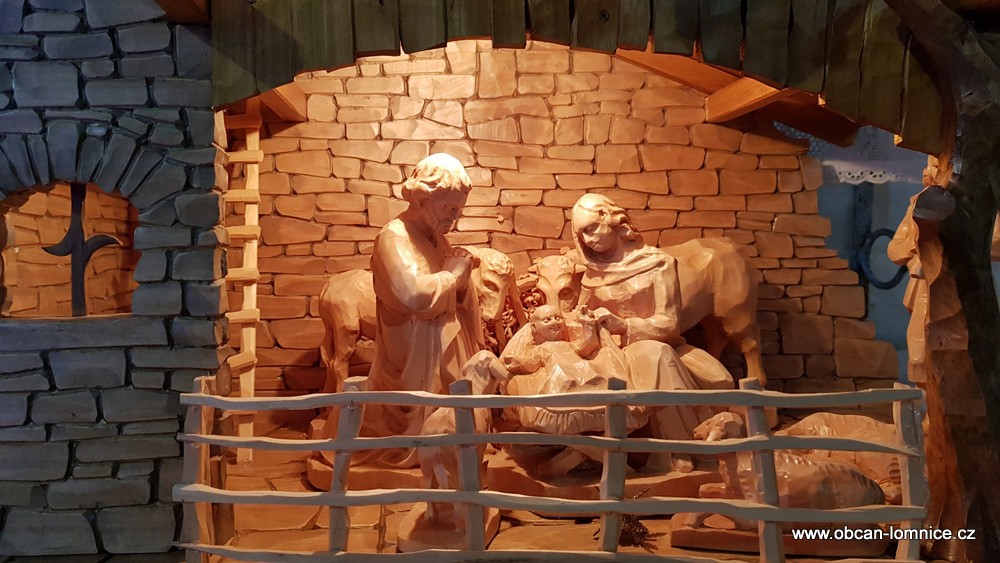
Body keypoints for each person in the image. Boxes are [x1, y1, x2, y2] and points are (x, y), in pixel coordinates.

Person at [324, 153, 480, 468]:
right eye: (449, 208)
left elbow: (449, 287)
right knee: (403, 412)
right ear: (424, 199)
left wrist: (462, 281)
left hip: (439, 346)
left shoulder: (437, 238)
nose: (455, 218)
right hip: (408, 352)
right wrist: (453, 276)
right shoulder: (393, 238)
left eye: (459, 210)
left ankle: (443, 448)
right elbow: (415, 295)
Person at [569, 193, 724, 471]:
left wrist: (625, 325)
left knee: (658, 354)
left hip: (658, 343)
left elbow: (669, 322)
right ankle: (676, 448)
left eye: (591, 229)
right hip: (611, 353)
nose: (589, 240)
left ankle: (679, 447)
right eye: (582, 235)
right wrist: (584, 321)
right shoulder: (592, 275)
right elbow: (579, 318)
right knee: (653, 356)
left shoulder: (658, 263)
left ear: (609, 219)